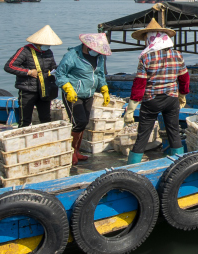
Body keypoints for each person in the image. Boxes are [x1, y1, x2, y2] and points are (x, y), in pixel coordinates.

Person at [124, 18, 189, 164]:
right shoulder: (177, 55)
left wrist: (131, 108)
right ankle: (179, 164)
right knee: (174, 132)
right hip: (171, 99)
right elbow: (184, 78)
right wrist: (182, 95)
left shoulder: (146, 58)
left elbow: (139, 84)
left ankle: (132, 166)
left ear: (150, 40)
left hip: (151, 100)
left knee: (143, 135)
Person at [54, 33, 111, 165]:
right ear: (87, 46)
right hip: (73, 94)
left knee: (84, 122)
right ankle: (71, 151)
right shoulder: (72, 55)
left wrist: (104, 89)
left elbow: (100, 74)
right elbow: (60, 74)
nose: (97, 53)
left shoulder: (99, 57)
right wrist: (67, 88)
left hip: (89, 93)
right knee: (77, 122)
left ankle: (77, 150)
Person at [4, 25, 61, 127]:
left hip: (44, 90)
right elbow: (9, 66)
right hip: (28, 90)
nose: (48, 46)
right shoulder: (24, 51)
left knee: (46, 119)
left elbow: (52, 66)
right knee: (25, 121)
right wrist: (28, 72)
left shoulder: (48, 52)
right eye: (46, 44)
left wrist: (57, 69)